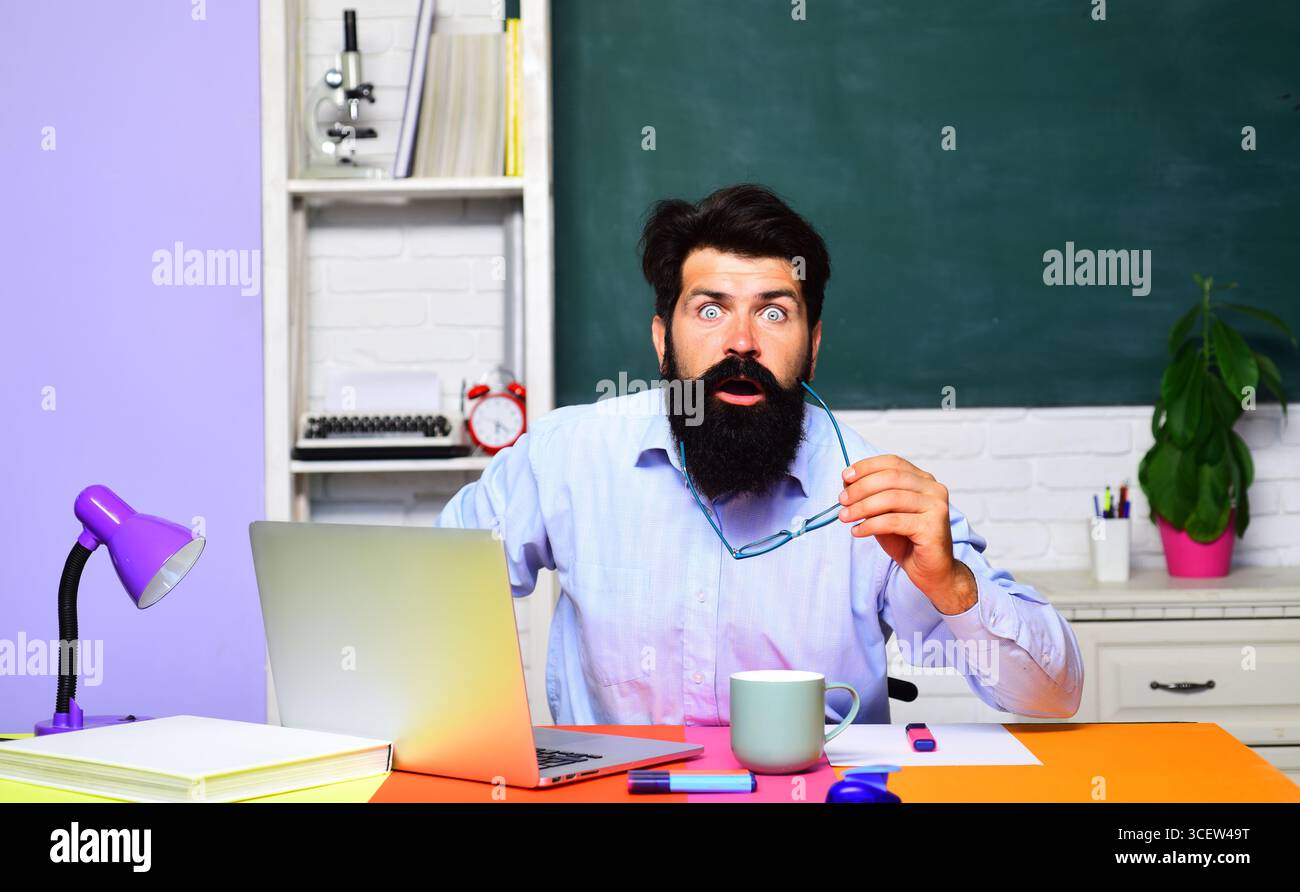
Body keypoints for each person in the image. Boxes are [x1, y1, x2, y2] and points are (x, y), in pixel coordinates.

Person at [438, 183, 1083, 727]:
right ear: (663, 339)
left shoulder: (872, 497)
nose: (741, 342)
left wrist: (953, 585)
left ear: (813, 344)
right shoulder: (568, 457)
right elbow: (428, 596)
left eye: (774, 313)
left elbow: (1052, 697)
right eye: (711, 309)